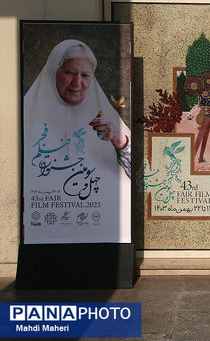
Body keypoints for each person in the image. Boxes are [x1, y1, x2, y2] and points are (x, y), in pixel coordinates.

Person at [23, 39, 131, 243]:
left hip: (101, 231)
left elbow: (139, 175)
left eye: (85, 75)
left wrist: (121, 143)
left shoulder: (107, 119)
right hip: (45, 229)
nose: (77, 83)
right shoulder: (27, 116)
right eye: (70, 73)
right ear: (53, 72)